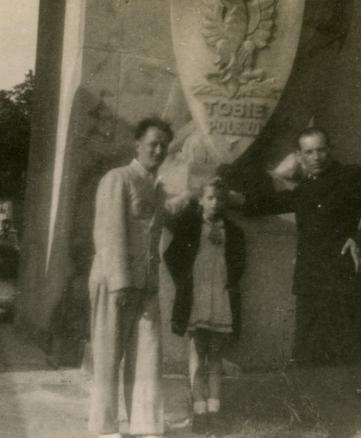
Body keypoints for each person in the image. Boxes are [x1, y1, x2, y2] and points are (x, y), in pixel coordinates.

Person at [239, 127, 361, 367]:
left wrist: (360, 240)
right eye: (309, 152)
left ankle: (345, 405)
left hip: (342, 279)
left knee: (344, 352)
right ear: (300, 156)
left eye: (321, 150)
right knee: (307, 353)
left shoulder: (351, 176)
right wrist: (240, 196)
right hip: (309, 282)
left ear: (330, 149)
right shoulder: (304, 190)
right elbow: (265, 204)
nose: (316, 157)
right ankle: (312, 404)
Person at [88, 117, 175, 438]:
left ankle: (146, 425)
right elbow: (109, 232)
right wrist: (121, 282)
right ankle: (105, 428)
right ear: (136, 144)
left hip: (147, 285)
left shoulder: (158, 189)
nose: (158, 149)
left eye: (164, 145)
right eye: (152, 143)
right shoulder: (118, 179)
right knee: (109, 357)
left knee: (148, 357)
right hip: (115, 283)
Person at [164, 177, 246, 436]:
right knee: (197, 355)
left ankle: (215, 409)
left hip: (220, 296)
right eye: (209, 198)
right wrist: (185, 281)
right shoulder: (190, 225)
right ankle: (199, 410)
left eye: (219, 198)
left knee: (215, 356)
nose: (214, 203)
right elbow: (171, 254)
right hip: (196, 297)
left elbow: (239, 263)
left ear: (225, 202)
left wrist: (228, 282)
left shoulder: (233, 231)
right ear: (201, 200)